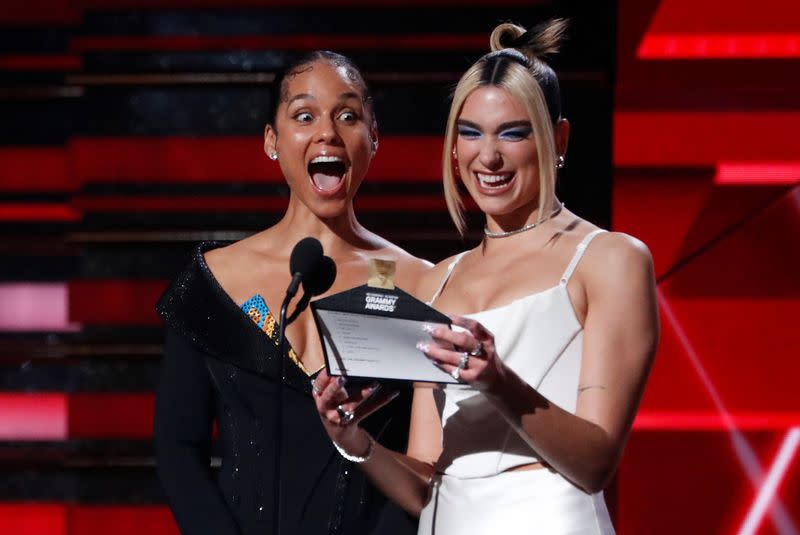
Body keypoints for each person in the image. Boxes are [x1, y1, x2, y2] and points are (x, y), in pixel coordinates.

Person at [312, 20, 659, 534]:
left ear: (557, 138)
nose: (488, 156)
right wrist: (353, 441)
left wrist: (499, 382)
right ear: (454, 148)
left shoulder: (609, 259)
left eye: (513, 133)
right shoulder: (438, 282)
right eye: (470, 133)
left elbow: (595, 463)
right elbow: (425, 482)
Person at [154, 51, 428, 535]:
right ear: (272, 141)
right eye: (305, 116)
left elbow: (424, 465)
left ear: (374, 139)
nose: (327, 132)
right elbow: (179, 451)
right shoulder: (210, 281)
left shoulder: (419, 283)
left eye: (348, 116)